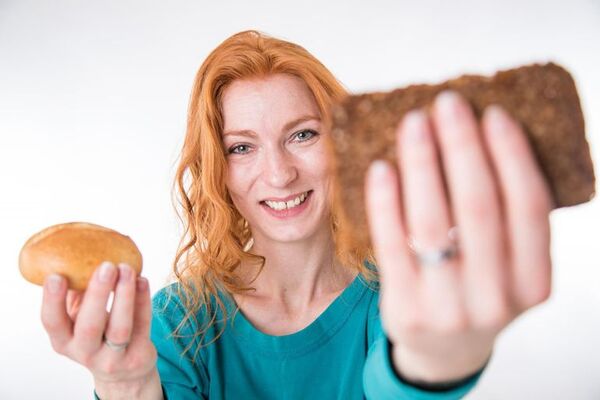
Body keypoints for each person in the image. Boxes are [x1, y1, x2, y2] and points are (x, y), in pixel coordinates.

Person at [40, 30, 554, 399]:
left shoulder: (401, 296)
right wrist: (126, 386)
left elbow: (395, 382)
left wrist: (431, 368)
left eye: (302, 135)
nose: (280, 174)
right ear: (217, 171)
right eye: (242, 148)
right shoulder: (174, 323)